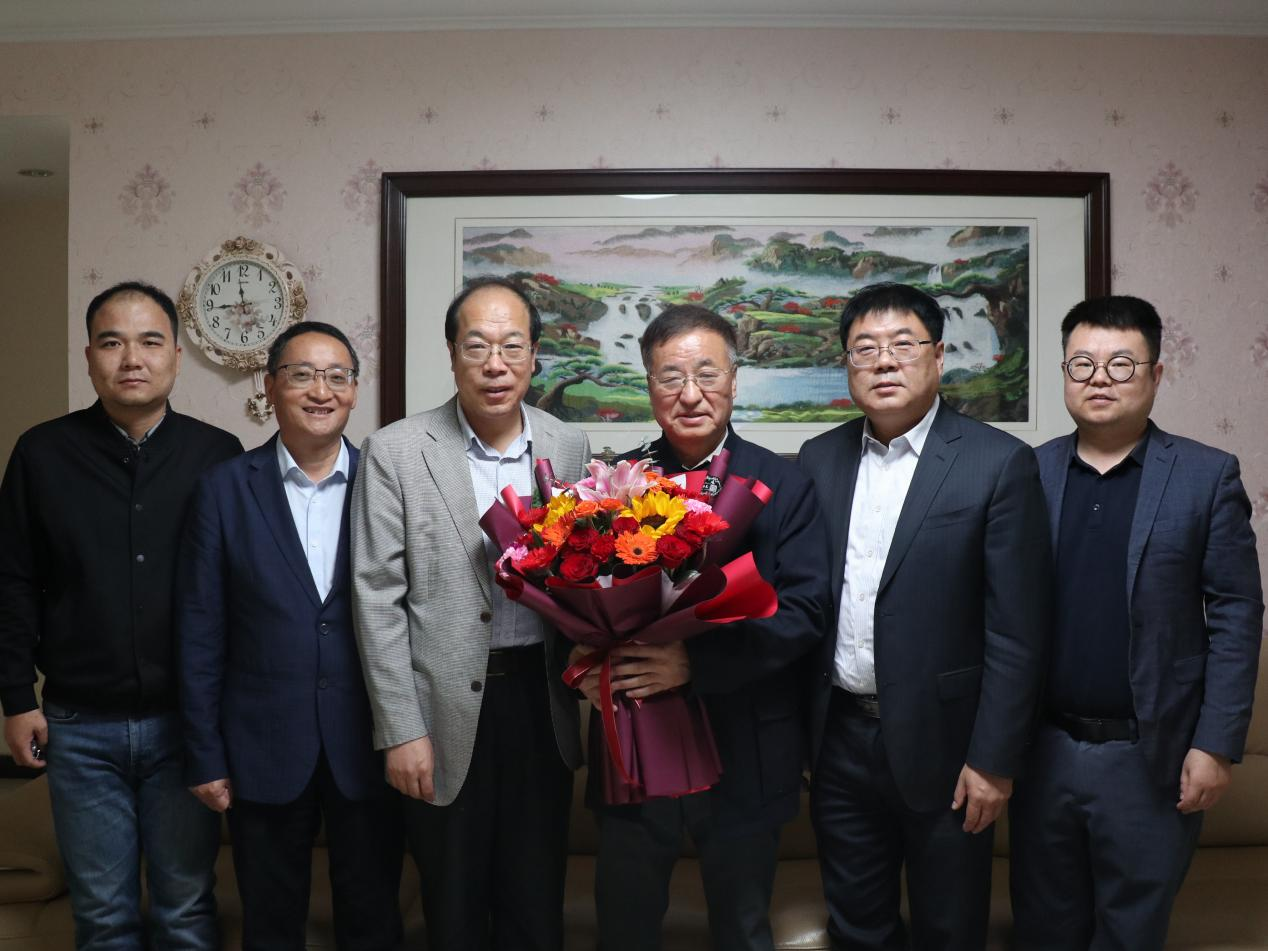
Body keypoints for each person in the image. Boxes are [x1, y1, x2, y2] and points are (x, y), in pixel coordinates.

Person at [796, 281, 1051, 950]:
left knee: (949, 927)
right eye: (865, 348)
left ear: (938, 356)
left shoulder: (997, 463)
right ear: (847, 364)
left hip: (951, 747)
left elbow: (1018, 631)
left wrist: (994, 760)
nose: (884, 361)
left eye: (903, 344)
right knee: (856, 925)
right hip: (839, 739)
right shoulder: (818, 459)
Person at [1009, 295, 1264, 950]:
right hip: (1043, 751)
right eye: (1083, 364)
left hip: (1150, 756)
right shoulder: (1027, 473)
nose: (1100, 378)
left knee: (1130, 934)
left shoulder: (1206, 476)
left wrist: (1215, 743)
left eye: (1121, 364)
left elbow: (1237, 613)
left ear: (1155, 374)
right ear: (1064, 374)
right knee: (1043, 930)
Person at [578, 304, 830, 951]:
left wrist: (695, 663)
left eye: (707, 374)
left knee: (742, 931)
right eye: (671, 376)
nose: (690, 394)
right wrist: (582, 661)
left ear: (735, 381)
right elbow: (573, 593)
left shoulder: (784, 484)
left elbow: (804, 613)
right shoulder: (613, 484)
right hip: (635, 747)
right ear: (649, 385)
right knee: (624, 930)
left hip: (746, 751)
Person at [0, 281, 243, 950]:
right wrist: (16, 697)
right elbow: (12, 581)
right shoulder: (41, 453)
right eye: (112, 342)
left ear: (175, 357)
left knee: (185, 909)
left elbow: (242, 590)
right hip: (79, 726)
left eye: (149, 341)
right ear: (89, 357)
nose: (131, 358)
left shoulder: (218, 456)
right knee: (103, 916)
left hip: (187, 725)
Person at [351, 277, 591, 950]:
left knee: (535, 906)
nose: (495, 364)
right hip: (440, 711)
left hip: (540, 706)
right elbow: (376, 596)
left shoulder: (567, 445)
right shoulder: (397, 449)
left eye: (512, 346)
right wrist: (401, 729)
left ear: (534, 355)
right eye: (477, 345)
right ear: (453, 355)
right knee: (452, 908)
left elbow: (583, 580)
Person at [177, 321, 403, 950]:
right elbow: (200, 631)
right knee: (271, 924)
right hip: (262, 745)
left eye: (337, 376)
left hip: (370, 741)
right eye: (301, 375)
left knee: (373, 917)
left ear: (354, 391)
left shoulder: (388, 483)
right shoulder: (223, 489)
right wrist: (205, 753)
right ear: (270, 386)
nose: (320, 391)